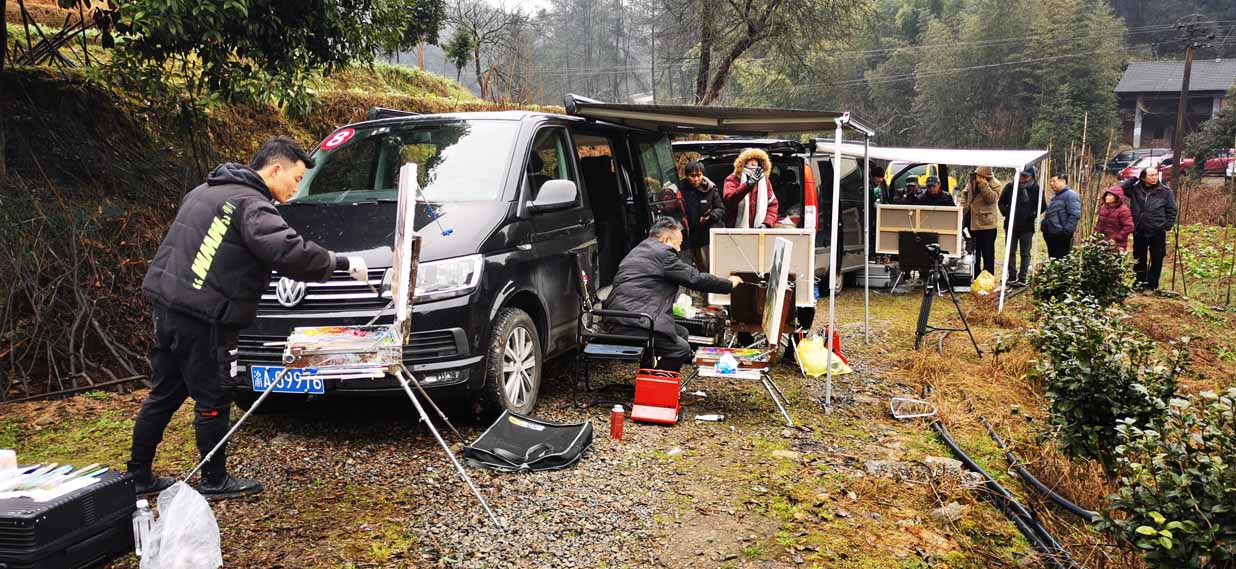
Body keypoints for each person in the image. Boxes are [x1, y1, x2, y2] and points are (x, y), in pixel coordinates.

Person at [130, 136, 369, 499]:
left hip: (167, 307)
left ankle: (138, 477)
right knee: (214, 396)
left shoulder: (204, 192)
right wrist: (341, 263)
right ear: (276, 169)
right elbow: (288, 251)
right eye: (295, 178)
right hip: (204, 316)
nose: (296, 187)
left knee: (164, 392)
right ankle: (214, 480)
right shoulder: (252, 204)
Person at [604, 217, 742, 373]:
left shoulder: (638, 251)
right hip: (633, 322)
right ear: (666, 239)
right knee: (680, 349)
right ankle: (655, 389)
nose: (679, 250)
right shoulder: (663, 254)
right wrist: (728, 284)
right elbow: (694, 278)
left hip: (616, 316)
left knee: (681, 332)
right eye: (678, 244)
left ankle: (648, 373)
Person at [1126, 166, 1177, 290]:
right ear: (1143, 177)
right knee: (1139, 257)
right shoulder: (1135, 190)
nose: (1155, 177)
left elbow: (1172, 210)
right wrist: (1133, 178)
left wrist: (1167, 225)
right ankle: (1139, 282)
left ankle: (1152, 284)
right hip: (1139, 229)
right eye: (1151, 175)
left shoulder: (1165, 191)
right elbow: (1121, 189)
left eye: (1156, 175)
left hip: (1157, 230)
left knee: (1157, 257)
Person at [677, 160, 725, 270]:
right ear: (686, 176)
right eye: (692, 176)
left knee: (708, 266)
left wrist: (711, 216)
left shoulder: (710, 188)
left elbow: (720, 209)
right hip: (687, 236)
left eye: (699, 175)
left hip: (706, 235)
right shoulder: (680, 189)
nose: (696, 179)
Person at [998, 167, 1039, 284]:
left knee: (1025, 253)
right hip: (1011, 225)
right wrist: (1007, 213)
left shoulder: (1035, 188)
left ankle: (1022, 277)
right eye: (1021, 175)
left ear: (1032, 176)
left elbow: (1042, 206)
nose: (1022, 178)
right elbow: (1001, 202)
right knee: (1010, 251)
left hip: (1027, 227)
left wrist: (1032, 215)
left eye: (1025, 176)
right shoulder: (1010, 186)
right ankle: (1012, 276)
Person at [723, 148, 779, 228]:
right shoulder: (733, 179)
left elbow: (773, 205)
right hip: (735, 230)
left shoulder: (764, 181)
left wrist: (766, 224)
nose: (754, 163)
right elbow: (729, 201)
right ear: (743, 162)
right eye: (750, 160)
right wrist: (748, 184)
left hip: (759, 230)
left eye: (756, 160)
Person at [962, 166, 1001, 278]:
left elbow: (991, 199)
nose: (977, 177)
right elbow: (965, 194)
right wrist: (963, 206)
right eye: (976, 175)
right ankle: (975, 275)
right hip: (972, 223)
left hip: (986, 225)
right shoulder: (971, 181)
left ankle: (988, 277)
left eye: (979, 175)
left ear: (985, 176)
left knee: (988, 254)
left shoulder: (996, 184)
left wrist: (983, 185)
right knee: (974, 252)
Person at [1041, 173, 1081, 259]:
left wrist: (1066, 232)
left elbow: (1074, 215)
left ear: (1063, 181)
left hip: (1061, 235)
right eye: (1050, 181)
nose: (1051, 184)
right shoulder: (1055, 197)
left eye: (1054, 181)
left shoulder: (1071, 195)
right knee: (1053, 258)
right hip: (1051, 234)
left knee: (1062, 259)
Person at [1093, 185, 1134, 251]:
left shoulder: (1123, 210)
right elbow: (1099, 224)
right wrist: (1095, 236)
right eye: (1106, 195)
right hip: (1101, 242)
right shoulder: (1103, 208)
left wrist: (1117, 238)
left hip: (1116, 245)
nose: (1107, 197)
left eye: (1110, 195)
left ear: (1117, 197)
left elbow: (1129, 226)